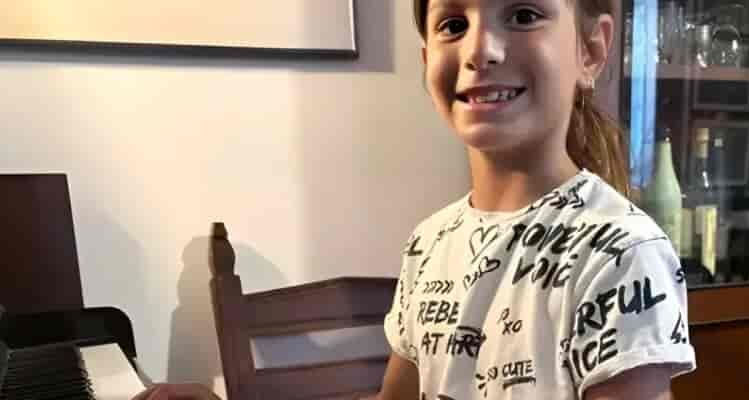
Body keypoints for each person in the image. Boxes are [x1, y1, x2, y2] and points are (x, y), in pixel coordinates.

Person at [134, 0, 696, 399]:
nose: (480, 49)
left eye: (523, 15)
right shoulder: (431, 241)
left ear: (590, 50)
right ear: (428, 58)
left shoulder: (622, 254)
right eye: (453, 24)